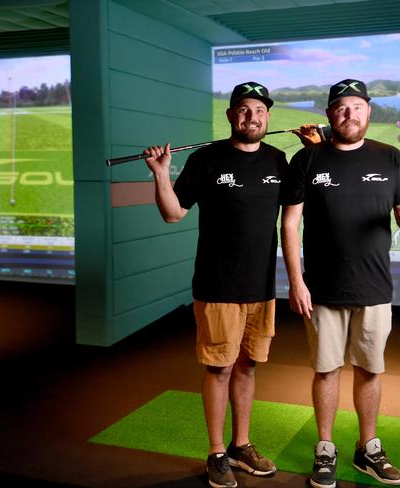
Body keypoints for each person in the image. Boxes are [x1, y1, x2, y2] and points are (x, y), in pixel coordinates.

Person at [143, 81, 286, 488]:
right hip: (217, 285)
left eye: (259, 110)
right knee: (220, 368)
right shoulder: (207, 160)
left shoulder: (279, 160)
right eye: (243, 109)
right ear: (230, 115)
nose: (252, 116)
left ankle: (242, 446)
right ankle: (216, 452)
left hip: (261, 288)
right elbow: (173, 214)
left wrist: (316, 149)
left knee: (248, 366)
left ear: (268, 117)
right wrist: (160, 174)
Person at [281, 79, 400, 488]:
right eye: (341, 107)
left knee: (369, 369)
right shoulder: (307, 160)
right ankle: (325, 448)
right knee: (326, 371)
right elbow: (289, 224)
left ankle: (368, 448)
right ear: (329, 114)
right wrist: (295, 281)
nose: (350, 114)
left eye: (357, 107)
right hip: (322, 288)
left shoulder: (390, 157)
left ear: (368, 112)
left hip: (375, 288)